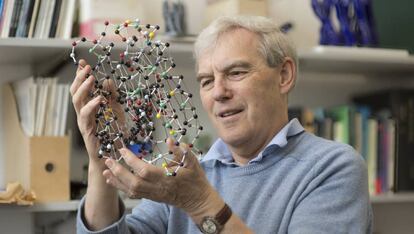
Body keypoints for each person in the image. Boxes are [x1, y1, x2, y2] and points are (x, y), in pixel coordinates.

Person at [73, 15, 372, 234]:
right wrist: (103, 159)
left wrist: (200, 203)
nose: (219, 92)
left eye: (237, 72)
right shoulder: (188, 174)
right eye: (206, 81)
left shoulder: (332, 168)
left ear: (284, 76)